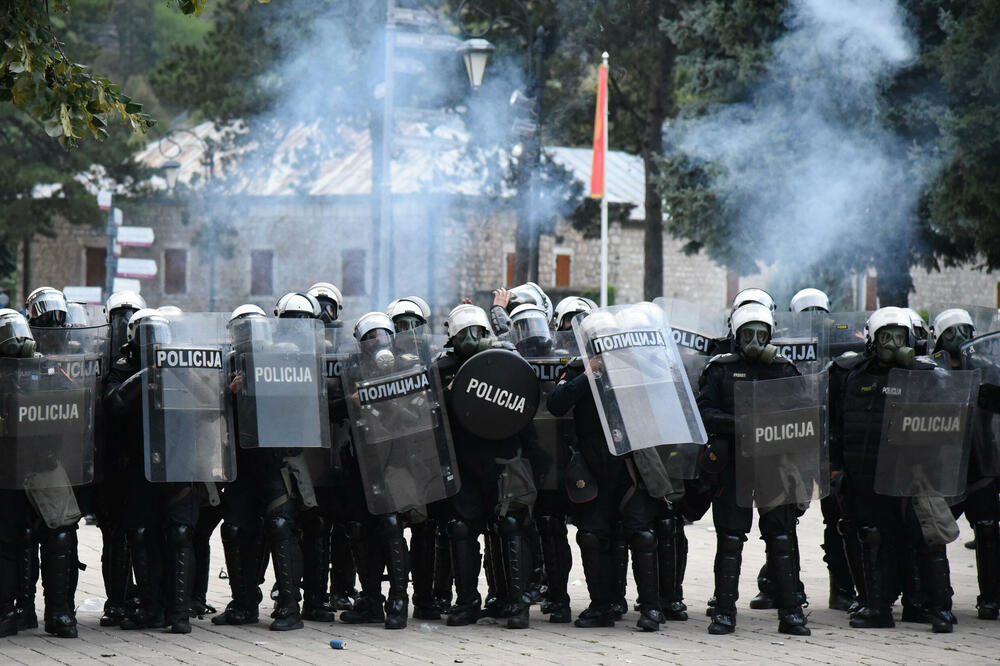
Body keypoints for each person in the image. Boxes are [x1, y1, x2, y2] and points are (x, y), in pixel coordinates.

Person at [830, 306, 958, 633]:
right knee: (873, 537)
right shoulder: (854, 375)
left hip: (914, 473)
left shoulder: (926, 374)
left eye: (898, 336)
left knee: (926, 537)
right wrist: (837, 468)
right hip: (867, 474)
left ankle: (934, 608)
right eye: (885, 336)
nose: (891, 342)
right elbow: (839, 425)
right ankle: (877, 607)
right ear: (872, 339)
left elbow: (948, 415)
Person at [547, 307, 669, 632]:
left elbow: (664, 394)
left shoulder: (636, 368)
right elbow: (556, 403)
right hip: (594, 469)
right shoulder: (577, 370)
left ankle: (652, 609)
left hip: (631, 468)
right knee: (590, 536)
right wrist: (589, 376)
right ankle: (601, 605)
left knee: (642, 536)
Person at [697, 302, 810, 636]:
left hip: (774, 465)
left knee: (781, 537)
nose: (755, 340)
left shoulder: (785, 369)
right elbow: (704, 413)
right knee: (730, 539)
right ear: (736, 334)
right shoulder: (720, 369)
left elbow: (804, 415)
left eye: (762, 334)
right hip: (733, 464)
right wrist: (741, 425)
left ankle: (791, 613)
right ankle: (724, 612)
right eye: (749, 333)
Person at [434, 304, 540, 629]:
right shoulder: (442, 368)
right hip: (463, 461)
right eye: (464, 334)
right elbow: (428, 412)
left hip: (504, 459)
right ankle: (467, 602)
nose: (471, 339)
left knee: (510, 524)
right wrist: (446, 395)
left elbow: (524, 405)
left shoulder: (506, 361)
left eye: (477, 332)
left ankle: (518, 602)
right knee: (461, 529)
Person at [105, 308, 203, 633]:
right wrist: (148, 373)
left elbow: (208, 404)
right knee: (141, 534)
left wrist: (177, 372)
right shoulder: (122, 368)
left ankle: (179, 614)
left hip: (179, 464)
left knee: (178, 534)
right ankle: (151, 609)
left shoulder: (184, 366)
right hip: (139, 467)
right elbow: (114, 403)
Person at [932, 308, 999, 620]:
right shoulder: (930, 373)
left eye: (964, 331)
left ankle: (991, 599)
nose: (959, 338)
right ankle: (938, 599)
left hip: (980, 465)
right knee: (934, 534)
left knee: (988, 530)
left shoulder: (988, 370)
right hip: (944, 469)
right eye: (951, 332)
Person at [97, 291, 146, 627]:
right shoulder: (98, 354)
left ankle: (145, 597)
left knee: (142, 532)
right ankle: (116, 600)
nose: (123, 322)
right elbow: (112, 402)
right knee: (113, 533)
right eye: (119, 316)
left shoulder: (153, 356)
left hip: (143, 457)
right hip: (108, 457)